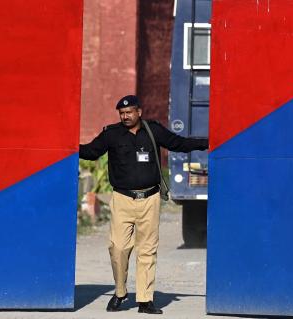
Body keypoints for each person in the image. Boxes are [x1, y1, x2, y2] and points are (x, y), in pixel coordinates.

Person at [79, 95, 208, 314]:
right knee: (118, 248)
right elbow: (91, 152)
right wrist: (66, 147)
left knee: (147, 250)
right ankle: (120, 292)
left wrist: (207, 143)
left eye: (129, 112)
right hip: (122, 199)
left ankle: (145, 300)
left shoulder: (153, 131)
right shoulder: (111, 134)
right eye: (122, 113)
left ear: (139, 112)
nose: (125, 116)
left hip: (149, 199)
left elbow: (179, 144)